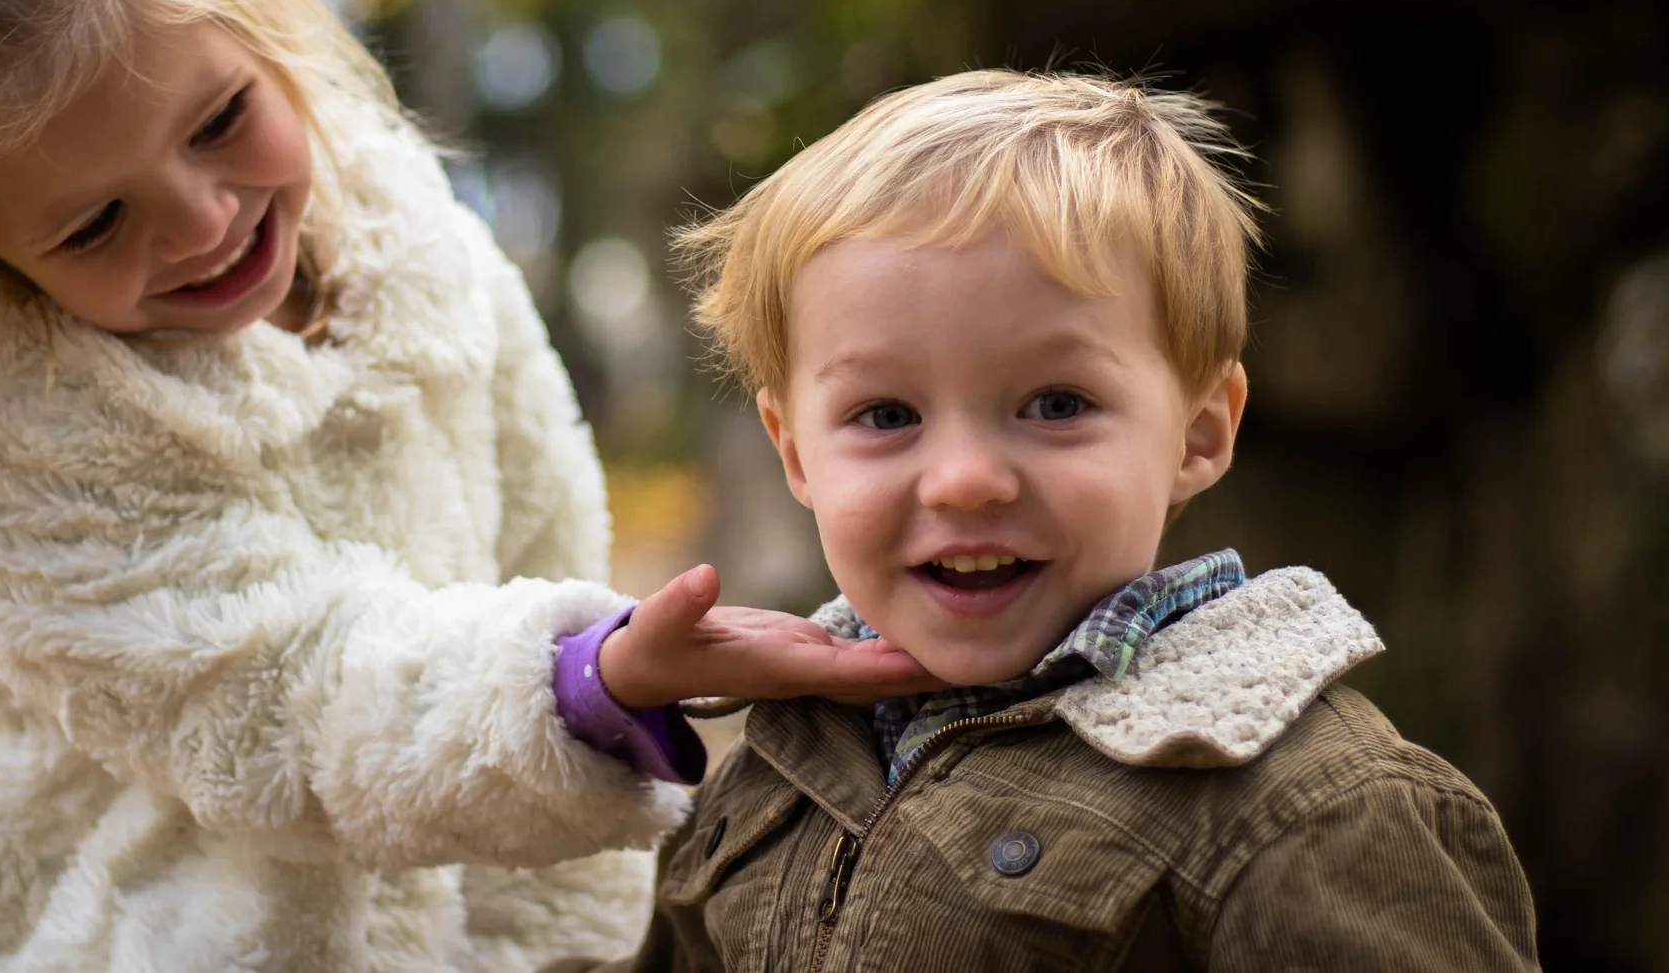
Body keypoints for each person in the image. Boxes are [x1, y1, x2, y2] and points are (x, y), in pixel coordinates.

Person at [0, 0, 932, 973]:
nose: (202, 223)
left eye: (219, 119)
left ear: (267, 26)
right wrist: (583, 684)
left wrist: (558, 920)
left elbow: (540, 521)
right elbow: (281, 708)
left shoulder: (408, 242)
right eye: (96, 222)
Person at [550, 71, 1541, 971]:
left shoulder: (1311, 810)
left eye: (1056, 405)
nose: (967, 481)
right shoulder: (784, 755)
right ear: (796, 451)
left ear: (1197, 434)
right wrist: (590, 690)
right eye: (887, 416)